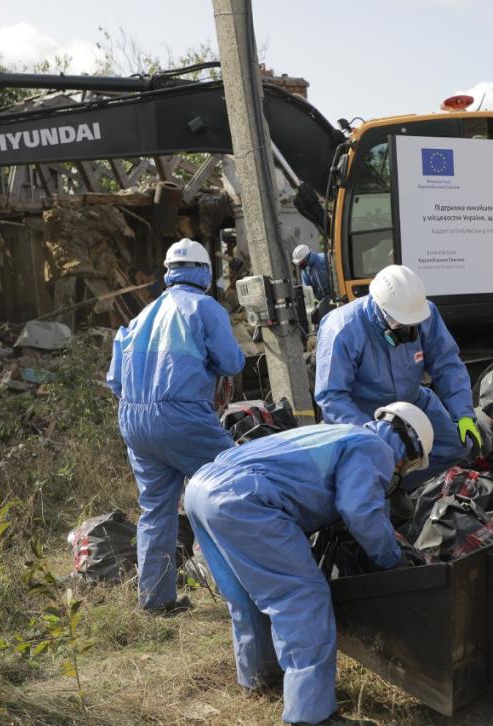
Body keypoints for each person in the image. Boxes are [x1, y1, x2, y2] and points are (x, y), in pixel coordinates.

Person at [184, 402, 433, 726]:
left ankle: (258, 679)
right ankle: (311, 716)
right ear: (407, 445)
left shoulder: (341, 434)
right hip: (243, 499)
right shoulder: (376, 449)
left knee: (245, 597)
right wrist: (392, 560)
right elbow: (360, 511)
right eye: (410, 463)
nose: (401, 470)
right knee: (303, 597)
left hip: (202, 489)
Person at [107, 238, 245, 614]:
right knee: (240, 485)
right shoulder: (205, 308)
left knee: (155, 510)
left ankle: (155, 603)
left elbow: (115, 381)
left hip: (134, 420)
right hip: (181, 417)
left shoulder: (141, 316)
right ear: (204, 272)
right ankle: (250, 587)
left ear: (168, 272)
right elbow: (231, 363)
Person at [313, 264, 480, 487]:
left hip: (413, 402)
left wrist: (463, 413)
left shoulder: (424, 313)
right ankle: (387, 491)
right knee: (377, 464)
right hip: (366, 415)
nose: (409, 330)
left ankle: (403, 488)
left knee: (457, 445)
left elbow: (446, 363)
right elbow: (331, 397)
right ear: (381, 309)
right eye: (401, 325)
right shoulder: (343, 328)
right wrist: (371, 435)